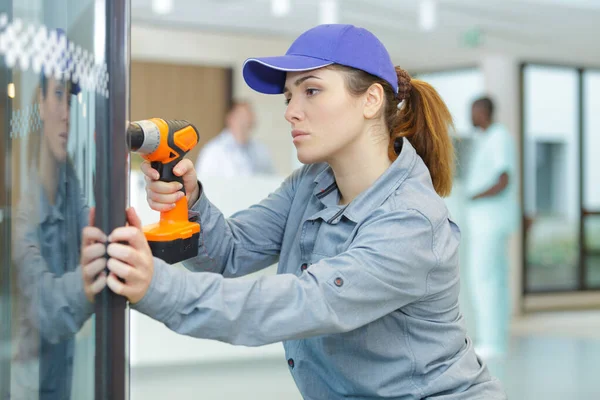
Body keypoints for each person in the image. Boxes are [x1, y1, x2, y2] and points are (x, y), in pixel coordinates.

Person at [84, 24, 506, 398]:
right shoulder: (311, 183)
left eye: (312, 90)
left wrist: (155, 287)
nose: (290, 111)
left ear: (371, 100)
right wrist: (191, 201)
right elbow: (231, 251)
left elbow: (302, 303)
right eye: (290, 96)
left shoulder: (412, 222)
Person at [10, 42, 106, 399]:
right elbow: (49, 310)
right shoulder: (24, 208)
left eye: (70, 100)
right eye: (58, 96)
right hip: (28, 383)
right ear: (39, 101)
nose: (66, 113)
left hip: (67, 375)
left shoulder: (72, 188)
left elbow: (99, 236)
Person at [465, 96, 518, 361]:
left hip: (492, 222)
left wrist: (473, 196)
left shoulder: (499, 137)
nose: (471, 117)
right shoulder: (483, 139)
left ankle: (492, 341)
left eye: (474, 112)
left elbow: (503, 179)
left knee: (486, 281)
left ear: (486, 112)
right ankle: (492, 338)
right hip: (483, 222)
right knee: (490, 280)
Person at [195, 100, 275, 177]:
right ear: (230, 118)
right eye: (243, 115)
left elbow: (270, 179)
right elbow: (204, 182)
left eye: (250, 113)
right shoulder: (213, 151)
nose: (249, 118)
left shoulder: (260, 150)